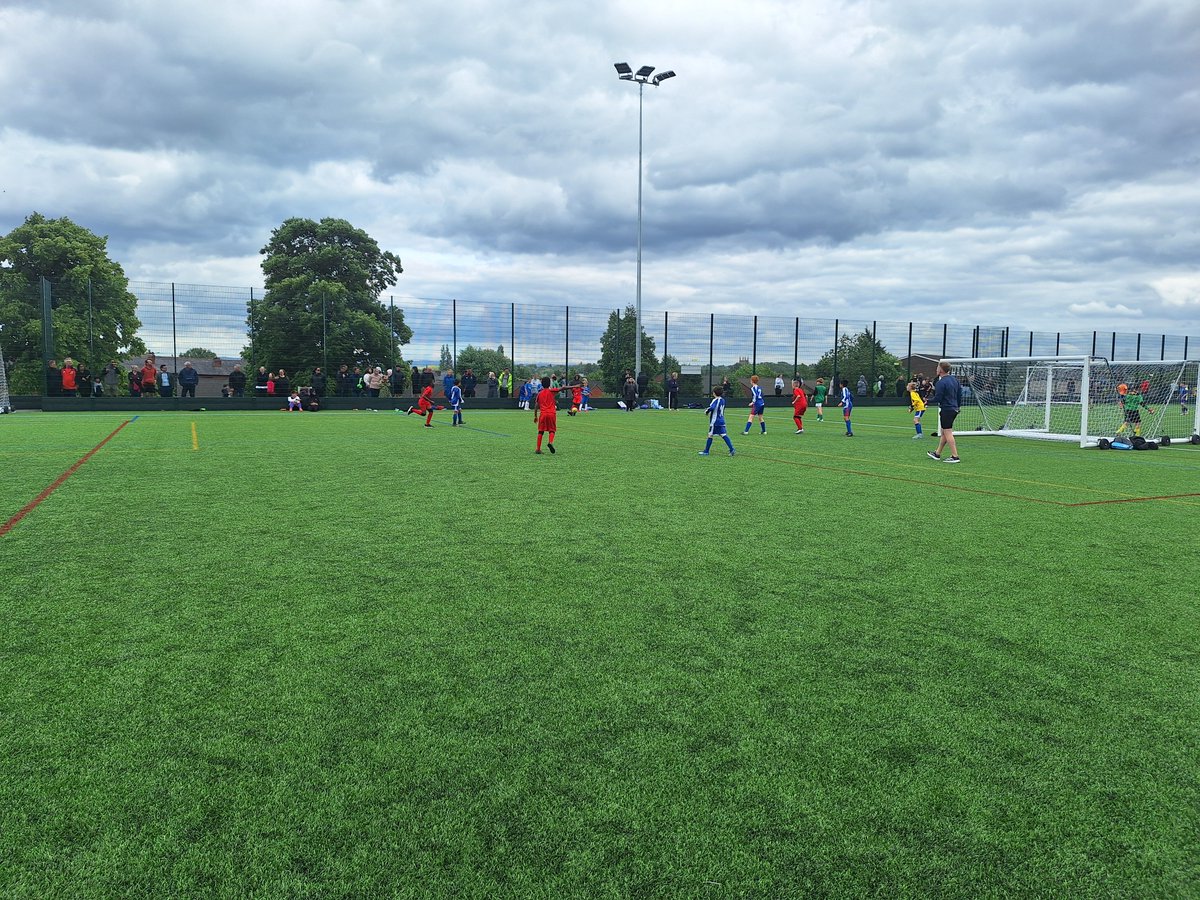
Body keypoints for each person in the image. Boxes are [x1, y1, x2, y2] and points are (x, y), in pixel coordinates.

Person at [927, 361, 962, 462]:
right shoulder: (955, 380)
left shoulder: (941, 382)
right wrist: (958, 407)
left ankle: (955, 456)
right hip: (954, 408)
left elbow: (938, 398)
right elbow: (959, 395)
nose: (936, 369)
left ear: (941, 370)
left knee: (947, 432)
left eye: (937, 367)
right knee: (944, 432)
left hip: (947, 409)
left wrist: (927, 401)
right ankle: (937, 453)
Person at [533, 375, 574, 454]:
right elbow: (563, 388)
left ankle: (538, 449)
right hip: (551, 414)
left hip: (543, 414)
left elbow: (536, 406)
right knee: (552, 430)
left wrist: (535, 416)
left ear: (542, 384)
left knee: (541, 431)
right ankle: (550, 442)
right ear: (549, 384)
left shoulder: (540, 393)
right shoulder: (552, 391)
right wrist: (575, 386)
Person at [699, 386, 736, 456]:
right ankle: (732, 449)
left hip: (715, 421)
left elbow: (712, 407)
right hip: (721, 420)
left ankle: (706, 451)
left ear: (714, 393)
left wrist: (707, 411)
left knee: (710, 435)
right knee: (723, 434)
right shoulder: (723, 400)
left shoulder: (715, 400)